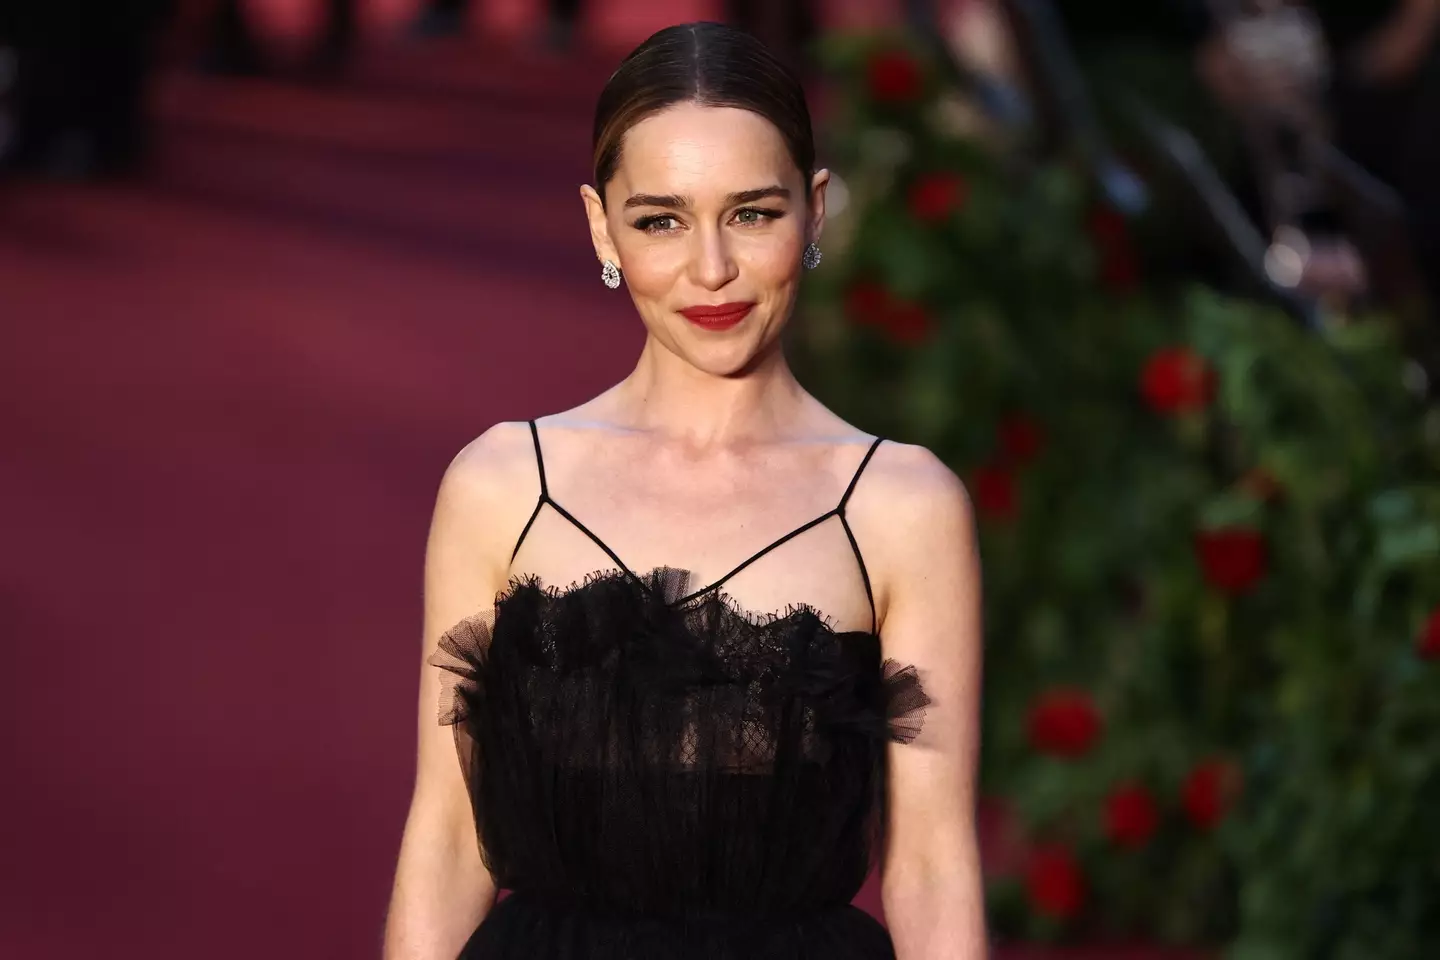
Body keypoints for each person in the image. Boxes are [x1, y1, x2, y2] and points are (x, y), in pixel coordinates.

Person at [383, 22, 986, 960]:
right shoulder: (504, 485)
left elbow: (932, 865)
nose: (711, 270)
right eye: (662, 219)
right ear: (601, 226)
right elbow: (448, 841)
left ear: (816, 212)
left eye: (752, 213)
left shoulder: (902, 505)